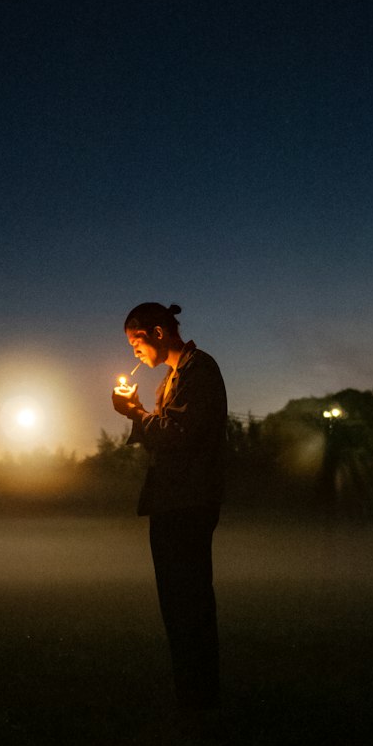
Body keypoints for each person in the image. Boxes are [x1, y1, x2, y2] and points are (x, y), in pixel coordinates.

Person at [111, 302, 226, 711]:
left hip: (187, 504)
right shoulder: (172, 378)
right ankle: (192, 697)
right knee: (177, 604)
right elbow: (164, 434)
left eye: (136, 342)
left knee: (188, 602)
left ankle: (200, 701)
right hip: (172, 503)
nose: (135, 353)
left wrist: (136, 413)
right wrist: (137, 413)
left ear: (159, 333)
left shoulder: (199, 371)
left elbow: (179, 435)